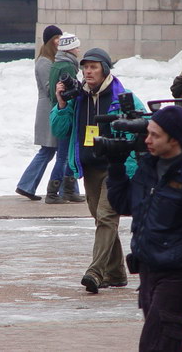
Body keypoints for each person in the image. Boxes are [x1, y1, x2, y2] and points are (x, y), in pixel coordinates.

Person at [107, 105, 182, 351]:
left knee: (155, 345)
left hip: (178, 273)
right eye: (148, 133)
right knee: (167, 344)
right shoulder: (149, 165)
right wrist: (116, 167)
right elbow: (124, 204)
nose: (147, 140)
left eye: (155, 135)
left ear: (174, 139)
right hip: (148, 268)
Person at [50, 47, 145, 293]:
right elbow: (59, 130)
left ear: (105, 69)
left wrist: (130, 166)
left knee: (106, 216)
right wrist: (61, 103)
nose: (88, 72)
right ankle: (116, 273)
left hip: (115, 168)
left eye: (93, 67)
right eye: (85, 67)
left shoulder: (121, 96)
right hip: (89, 168)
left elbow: (142, 127)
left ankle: (95, 272)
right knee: (102, 219)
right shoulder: (77, 96)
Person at [15, 25, 72, 202]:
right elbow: (50, 89)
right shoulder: (44, 62)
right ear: (49, 41)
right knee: (52, 150)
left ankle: (30, 186)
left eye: (60, 38)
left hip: (52, 108)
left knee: (56, 150)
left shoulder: (51, 60)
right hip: (48, 109)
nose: (59, 41)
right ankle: (30, 185)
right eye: (56, 38)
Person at [42, 32, 86, 204]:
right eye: (76, 47)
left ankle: (68, 191)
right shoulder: (67, 66)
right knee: (64, 157)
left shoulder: (56, 64)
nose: (79, 50)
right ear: (70, 49)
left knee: (67, 155)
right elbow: (69, 93)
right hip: (66, 113)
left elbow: (51, 89)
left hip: (59, 111)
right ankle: (53, 193)